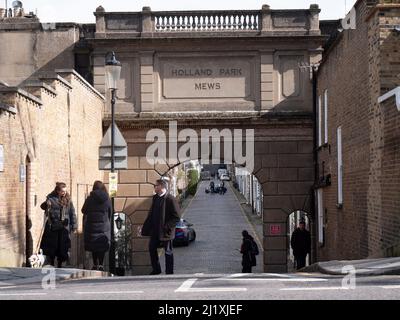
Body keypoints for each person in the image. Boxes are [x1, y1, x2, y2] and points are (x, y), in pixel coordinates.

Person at [141, 179, 181, 275]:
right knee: (151, 248)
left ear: (162, 187)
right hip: (155, 230)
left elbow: (177, 217)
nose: (155, 187)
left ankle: (169, 272)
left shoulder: (170, 199)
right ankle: (156, 269)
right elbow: (151, 214)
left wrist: (167, 227)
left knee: (168, 252)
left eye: (156, 186)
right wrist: (146, 227)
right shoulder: (155, 198)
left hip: (166, 232)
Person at [40, 182, 77, 268]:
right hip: (53, 226)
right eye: (62, 191)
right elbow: (42, 207)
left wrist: (74, 225)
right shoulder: (51, 198)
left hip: (64, 227)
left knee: (63, 247)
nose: (64, 192)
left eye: (65, 191)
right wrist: (46, 204)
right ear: (57, 191)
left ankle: (60, 263)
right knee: (52, 246)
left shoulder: (68, 199)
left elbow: (72, 212)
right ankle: (52, 262)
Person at [81, 181, 111, 271]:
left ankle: (95, 264)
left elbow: (83, 210)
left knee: (94, 245)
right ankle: (101, 265)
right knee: (101, 245)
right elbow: (110, 212)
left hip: (92, 225)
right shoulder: (107, 199)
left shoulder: (89, 199)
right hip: (104, 225)